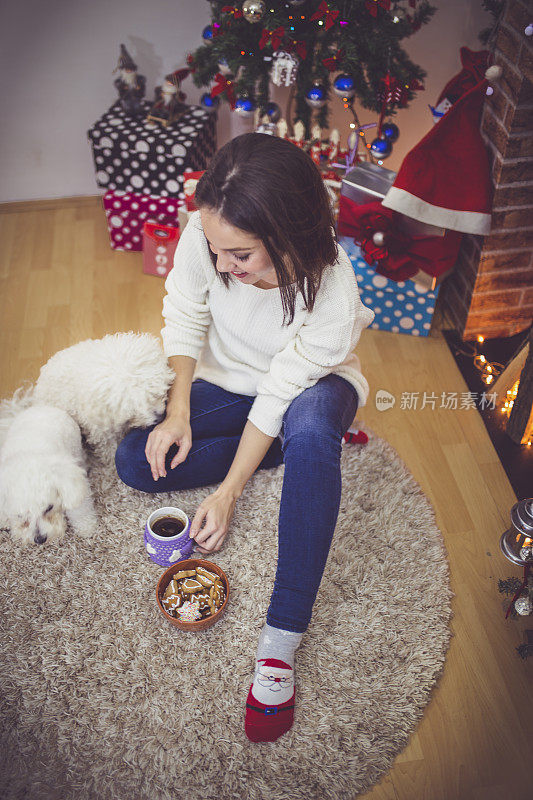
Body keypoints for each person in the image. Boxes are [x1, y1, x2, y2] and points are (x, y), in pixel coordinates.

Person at [115, 132, 375, 742]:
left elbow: (281, 389)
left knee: (308, 428)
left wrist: (230, 490)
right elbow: (184, 313)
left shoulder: (333, 291)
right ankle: (284, 451)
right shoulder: (208, 234)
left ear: (286, 238)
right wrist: (178, 411)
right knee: (135, 459)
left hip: (311, 386)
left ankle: (281, 642)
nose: (222, 264)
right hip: (231, 381)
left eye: (240, 256)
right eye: (214, 247)